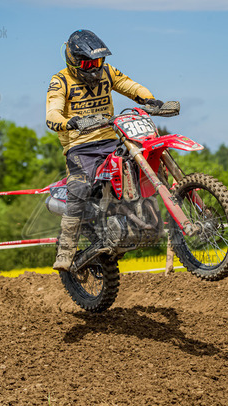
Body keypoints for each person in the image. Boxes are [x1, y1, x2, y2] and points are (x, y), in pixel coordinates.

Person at [46, 29, 164, 271]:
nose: (94, 68)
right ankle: (66, 249)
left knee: (140, 161)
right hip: (80, 147)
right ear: (74, 61)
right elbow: (52, 113)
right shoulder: (60, 81)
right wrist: (68, 122)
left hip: (111, 139)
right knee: (79, 186)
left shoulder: (108, 72)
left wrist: (148, 98)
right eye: (88, 63)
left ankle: (143, 217)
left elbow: (128, 85)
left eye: (98, 62)